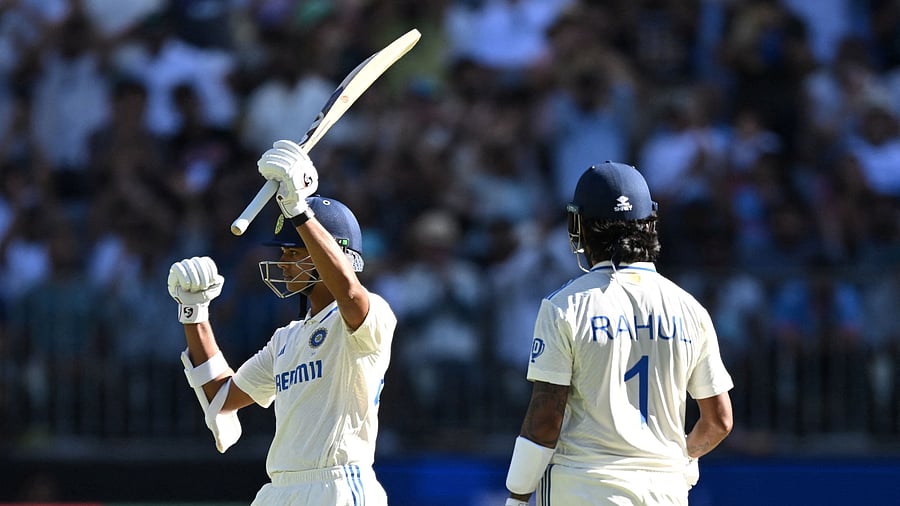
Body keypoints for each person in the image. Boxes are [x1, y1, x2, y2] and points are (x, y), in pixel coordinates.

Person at [166, 139, 397, 505]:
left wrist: (298, 209)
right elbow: (223, 398)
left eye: (295, 251)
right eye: (285, 251)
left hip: (338, 485)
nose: (286, 261)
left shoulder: (371, 316)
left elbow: (350, 295)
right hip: (279, 489)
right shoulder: (286, 339)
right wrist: (195, 313)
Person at [503, 162, 734, 506]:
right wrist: (680, 461)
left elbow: (546, 418)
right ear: (650, 225)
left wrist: (517, 496)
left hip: (584, 486)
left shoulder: (565, 305)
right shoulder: (690, 308)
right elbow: (719, 420)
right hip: (665, 492)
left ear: (579, 227)